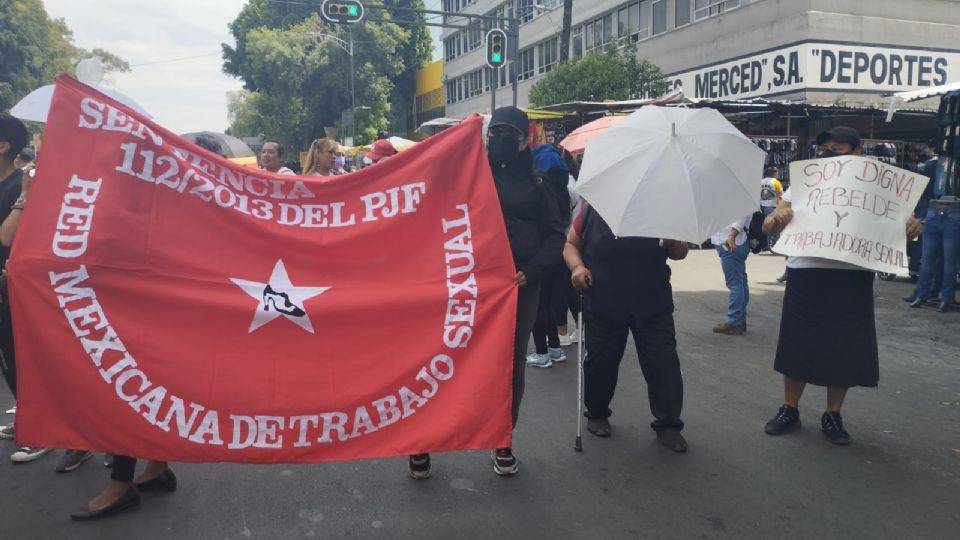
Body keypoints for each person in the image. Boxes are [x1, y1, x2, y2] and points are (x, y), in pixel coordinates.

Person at [408, 107, 565, 479]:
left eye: (509, 133)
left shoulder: (540, 185)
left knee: (509, 367)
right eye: (495, 132)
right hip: (463, 286)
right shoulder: (464, 177)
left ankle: (502, 440)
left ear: (525, 139)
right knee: (440, 360)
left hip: (517, 289)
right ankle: (421, 441)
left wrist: (531, 272)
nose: (501, 139)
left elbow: (556, 236)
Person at [761, 126, 923, 445]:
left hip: (852, 275)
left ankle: (832, 414)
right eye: (825, 148)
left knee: (845, 346)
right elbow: (770, 226)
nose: (829, 153)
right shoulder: (805, 185)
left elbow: (904, 231)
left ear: (857, 153)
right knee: (798, 342)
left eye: (838, 148)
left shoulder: (879, 189)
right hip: (807, 272)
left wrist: (912, 229)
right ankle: (789, 408)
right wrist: (775, 219)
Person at [563, 203, 690, 452]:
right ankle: (597, 413)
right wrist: (577, 267)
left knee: (663, 364)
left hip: (652, 302)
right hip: (604, 300)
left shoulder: (664, 208)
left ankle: (669, 425)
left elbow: (680, 252)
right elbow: (570, 244)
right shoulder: (592, 207)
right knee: (601, 362)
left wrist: (675, 243)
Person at [525, 143, 572, 368]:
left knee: (538, 305)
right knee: (552, 303)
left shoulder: (536, 191)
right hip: (561, 253)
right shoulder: (567, 192)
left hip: (540, 255)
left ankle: (542, 353)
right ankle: (555, 348)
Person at [906, 155, 959, 313]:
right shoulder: (950, 163)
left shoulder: (931, 164)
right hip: (955, 208)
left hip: (932, 208)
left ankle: (921, 295)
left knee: (928, 258)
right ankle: (945, 298)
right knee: (950, 260)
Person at [711, 215, 752, 335]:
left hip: (730, 242)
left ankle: (733, 321)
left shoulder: (738, 196)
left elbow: (742, 214)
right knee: (740, 282)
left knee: (735, 283)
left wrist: (731, 235)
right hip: (732, 241)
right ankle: (739, 320)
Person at [759, 166, 783, 251]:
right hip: (772, 206)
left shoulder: (760, 182)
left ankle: (765, 244)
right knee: (772, 226)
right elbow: (780, 195)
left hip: (761, 207)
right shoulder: (776, 182)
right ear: (774, 173)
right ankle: (771, 245)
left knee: (763, 226)